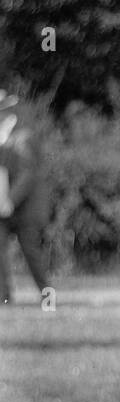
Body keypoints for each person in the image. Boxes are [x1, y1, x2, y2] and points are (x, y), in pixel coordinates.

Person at [0, 89, 52, 306]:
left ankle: (48, 297)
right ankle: (4, 297)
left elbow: (26, 174)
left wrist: (10, 200)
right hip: (6, 208)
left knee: (32, 254)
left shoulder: (23, 137)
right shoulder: (4, 137)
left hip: (27, 208)